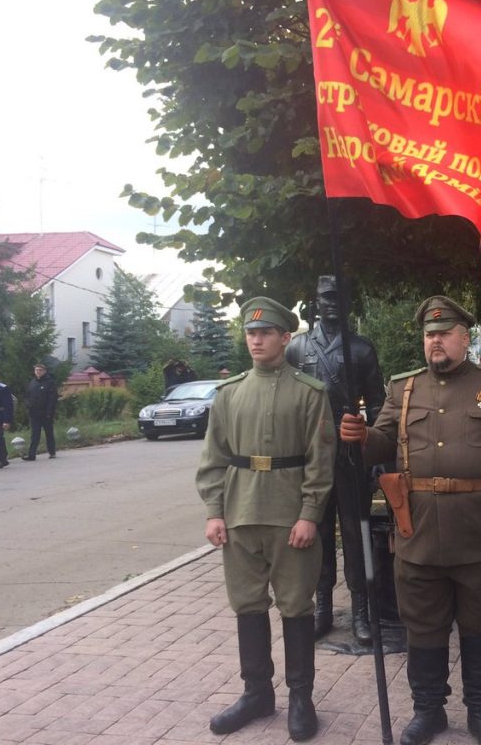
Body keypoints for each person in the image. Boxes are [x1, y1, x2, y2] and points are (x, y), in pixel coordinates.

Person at [339, 295, 481, 745]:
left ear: (464, 338)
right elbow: (382, 443)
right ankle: (429, 710)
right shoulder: (404, 388)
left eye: (444, 333)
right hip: (418, 534)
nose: (435, 341)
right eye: (429, 335)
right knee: (424, 627)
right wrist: (359, 437)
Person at [197, 296, 337, 742]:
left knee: (297, 606)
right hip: (240, 515)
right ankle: (257, 693)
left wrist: (310, 514)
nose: (256, 339)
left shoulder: (310, 392)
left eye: (265, 333)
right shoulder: (229, 393)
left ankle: (301, 697)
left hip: (289, 515)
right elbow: (213, 458)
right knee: (248, 605)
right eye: (250, 333)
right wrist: (214, 511)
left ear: (284, 337)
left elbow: (321, 460)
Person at [286, 274, 386, 644]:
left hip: (349, 456)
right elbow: (289, 405)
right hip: (312, 458)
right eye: (325, 296)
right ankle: (323, 606)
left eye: (337, 296)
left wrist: (375, 450)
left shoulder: (360, 349)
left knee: (357, 532)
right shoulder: (297, 348)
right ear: (315, 301)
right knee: (318, 533)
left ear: (346, 302)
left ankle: (362, 610)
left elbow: (377, 404)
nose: (330, 303)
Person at [22, 362, 58, 461]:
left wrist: (49, 412)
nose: (38, 372)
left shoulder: (50, 382)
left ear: (44, 371)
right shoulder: (32, 382)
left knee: (49, 433)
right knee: (35, 434)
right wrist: (28, 405)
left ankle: (52, 452)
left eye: (40, 370)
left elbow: (52, 399)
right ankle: (31, 455)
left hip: (46, 413)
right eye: (36, 370)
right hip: (34, 413)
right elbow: (27, 395)